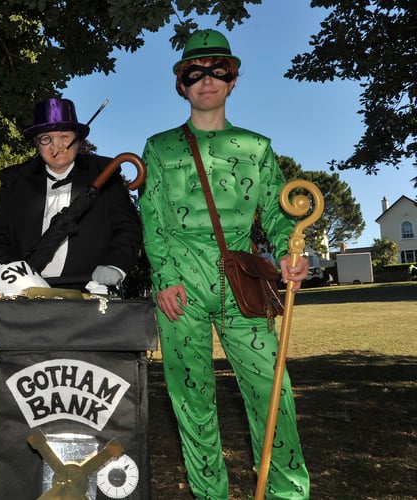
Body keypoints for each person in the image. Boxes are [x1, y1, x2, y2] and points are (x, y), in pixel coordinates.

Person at [138, 29, 311, 498]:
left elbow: (277, 213)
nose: (207, 80)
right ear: (182, 83)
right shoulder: (160, 147)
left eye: (219, 71)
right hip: (181, 287)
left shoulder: (257, 147)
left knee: (273, 394)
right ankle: (209, 494)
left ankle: (286, 493)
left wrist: (288, 255)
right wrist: (164, 279)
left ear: (232, 80)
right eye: (196, 72)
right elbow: (151, 218)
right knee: (192, 402)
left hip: (242, 282)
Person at [0, 97, 142, 291]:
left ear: (77, 139)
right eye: (46, 138)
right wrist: (10, 271)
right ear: (37, 143)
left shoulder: (105, 172)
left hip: (89, 289)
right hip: (25, 291)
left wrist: (115, 264)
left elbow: (127, 228)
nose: (56, 146)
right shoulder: (14, 179)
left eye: (65, 136)